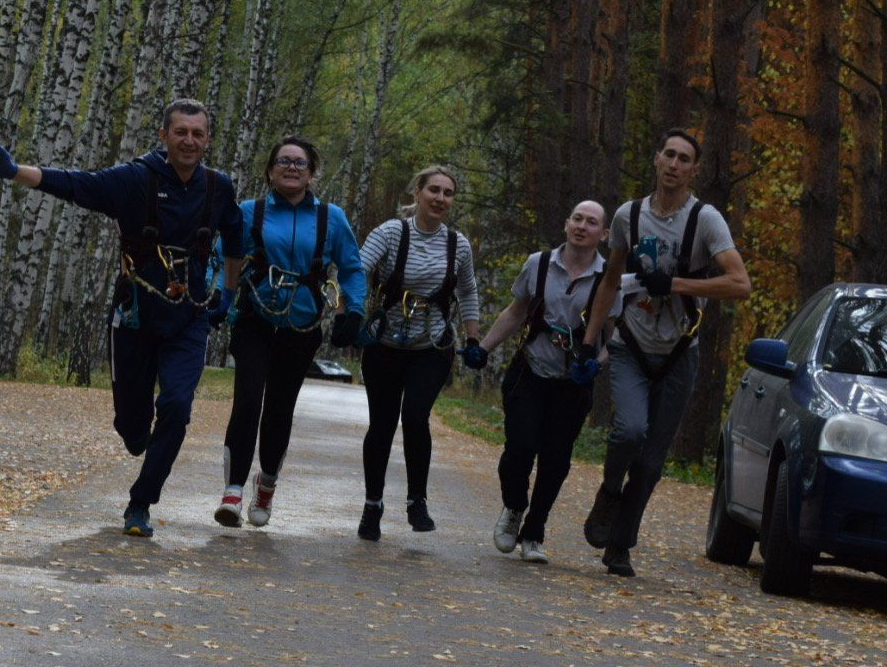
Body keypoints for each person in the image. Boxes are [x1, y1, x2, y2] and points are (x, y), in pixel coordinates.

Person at [0, 99, 243, 538]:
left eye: (197, 134)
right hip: (135, 314)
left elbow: (237, 236)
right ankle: (133, 431)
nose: (189, 141)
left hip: (189, 317)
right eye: (181, 132)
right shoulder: (136, 179)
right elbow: (76, 185)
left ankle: (140, 502)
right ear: (164, 135)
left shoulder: (217, 187)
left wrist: (228, 290)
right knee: (133, 427)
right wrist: (14, 172)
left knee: (176, 407)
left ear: (208, 140)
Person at [578, 129, 753, 577]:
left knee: (653, 461)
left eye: (684, 159)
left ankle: (619, 545)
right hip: (631, 345)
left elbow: (740, 284)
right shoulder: (628, 216)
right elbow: (611, 280)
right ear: (656, 161)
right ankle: (610, 490)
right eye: (669, 155)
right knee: (630, 430)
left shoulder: (706, 220)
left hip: (680, 351)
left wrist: (676, 284)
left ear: (694, 170)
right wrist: (589, 340)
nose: (674, 165)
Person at [214, 136, 365, 528]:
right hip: (255, 318)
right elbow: (223, 256)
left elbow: (350, 268)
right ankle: (232, 490)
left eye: (300, 163)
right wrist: (219, 298)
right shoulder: (250, 212)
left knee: (280, 408)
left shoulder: (333, 218)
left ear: (312, 173)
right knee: (247, 400)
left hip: (302, 324)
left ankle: (267, 483)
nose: (292, 167)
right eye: (283, 161)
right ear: (270, 170)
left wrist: (356, 309)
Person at [476, 201, 618, 564]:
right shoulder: (538, 264)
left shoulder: (610, 278)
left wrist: (596, 366)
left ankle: (534, 531)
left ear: (603, 234)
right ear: (566, 223)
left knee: (555, 459)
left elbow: (617, 339)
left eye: (591, 222)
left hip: (572, 382)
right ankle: (514, 507)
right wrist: (484, 348)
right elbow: (516, 311)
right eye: (577, 218)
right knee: (519, 449)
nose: (582, 226)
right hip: (531, 370)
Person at [354, 165, 484, 540]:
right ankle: (372, 505)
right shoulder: (392, 232)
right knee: (381, 423)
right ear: (418, 192)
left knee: (415, 416)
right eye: (434, 191)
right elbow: (358, 267)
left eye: (448, 193)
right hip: (385, 344)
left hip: (432, 344)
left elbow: (468, 291)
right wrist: (354, 312)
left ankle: (416, 500)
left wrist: (473, 340)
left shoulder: (457, 244)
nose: (440, 198)